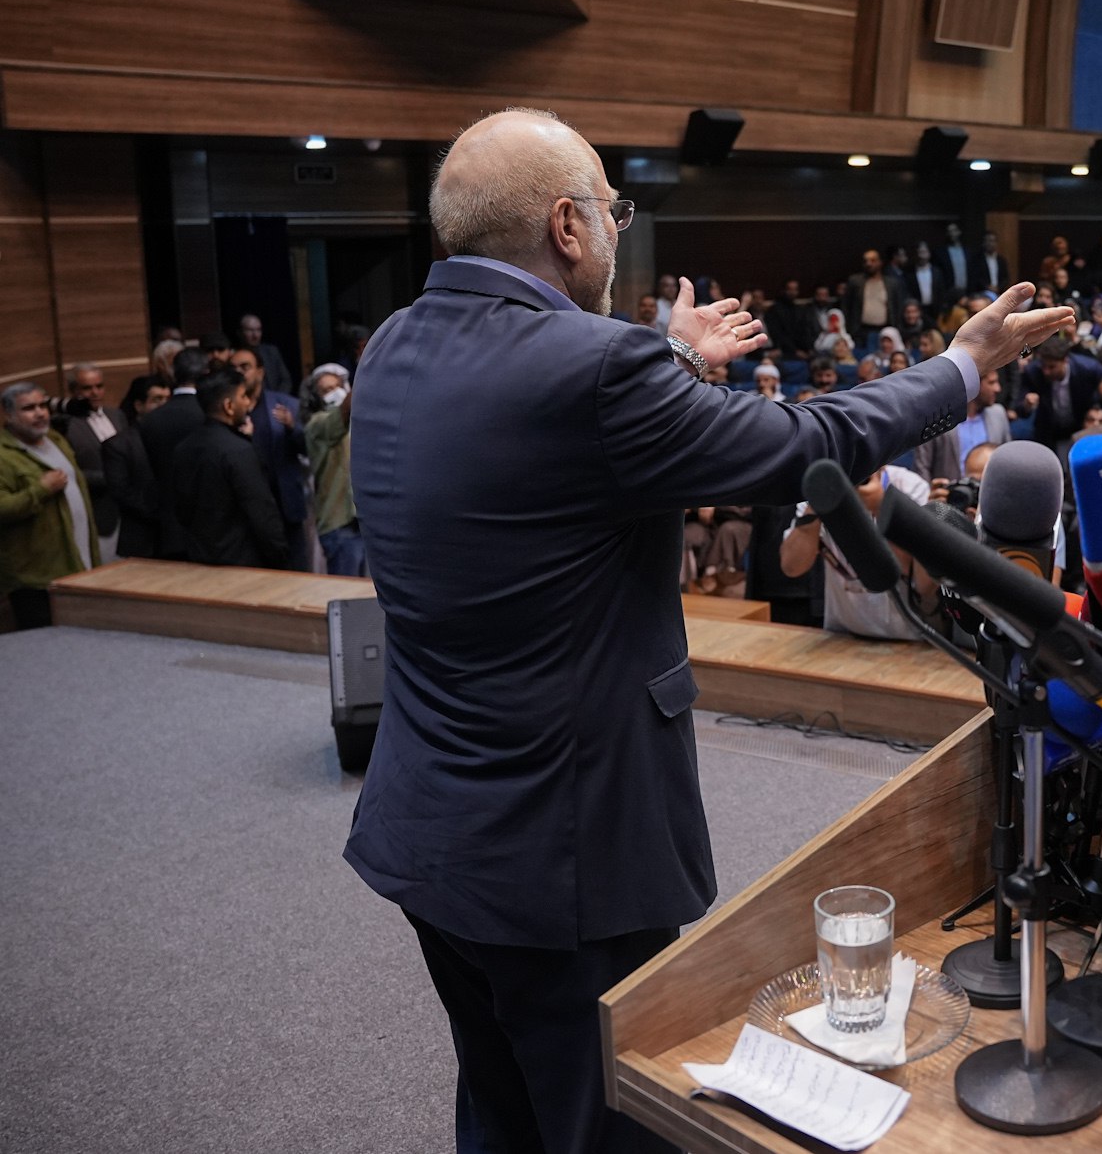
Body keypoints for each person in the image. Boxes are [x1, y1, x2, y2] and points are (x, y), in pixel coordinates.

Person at [342, 108, 1065, 1154]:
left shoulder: (394, 344)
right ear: (567, 227)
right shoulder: (596, 373)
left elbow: (537, 422)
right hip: (566, 850)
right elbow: (802, 441)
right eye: (609, 206)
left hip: (432, 825)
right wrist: (960, 367)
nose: (615, 226)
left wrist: (659, 356)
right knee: (606, 1120)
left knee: (499, 1101)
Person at [780, 466, 936, 634]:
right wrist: (816, 506)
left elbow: (921, 582)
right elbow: (792, 567)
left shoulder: (909, 486)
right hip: (841, 633)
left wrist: (881, 507)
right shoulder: (822, 485)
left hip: (906, 634)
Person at [167, 369, 288, 569]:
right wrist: (282, 557)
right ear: (229, 406)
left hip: (199, 559)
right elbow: (262, 513)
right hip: (243, 562)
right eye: (243, 397)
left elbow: (182, 511)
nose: (248, 403)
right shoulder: (238, 450)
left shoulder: (183, 448)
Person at [0, 381, 98, 628]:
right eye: (29, 408)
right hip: (36, 576)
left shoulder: (55, 439)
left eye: (43, 405)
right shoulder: (4, 456)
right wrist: (40, 490)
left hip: (78, 557)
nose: (40, 413)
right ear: (8, 415)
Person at [231, 346, 311, 571]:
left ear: (260, 372)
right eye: (234, 368)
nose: (239, 372)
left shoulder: (285, 404)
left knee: (297, 569)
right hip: (249, 508)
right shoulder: (229, 409)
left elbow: (307, 449)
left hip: (285, 503)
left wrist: (291, 428)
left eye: (245, 367)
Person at [138, 347, 215, 559]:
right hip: (213, 528)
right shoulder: (211, 414)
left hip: (169, 529)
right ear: (207, 374)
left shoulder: (151, 420)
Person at [56, 363, 127, 561]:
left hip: (127, 509)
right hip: (97, 511)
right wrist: (111, 478)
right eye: (87, 388)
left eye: (99, 386)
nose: (95, 393)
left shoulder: (117, 415)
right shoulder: (66, 425)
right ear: (73, 391)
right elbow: (68, 471)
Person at [304, 366, 364, 577]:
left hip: (362, 522)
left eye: (338, 386)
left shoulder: (357, 423)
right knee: (345, 599)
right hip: (339, 523)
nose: (335, 392)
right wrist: (366, 369)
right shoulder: (317, 424)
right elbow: (343, 413)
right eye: (327, 389)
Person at [104, 375, 170, 561]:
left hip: (174, 538)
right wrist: (160, 512)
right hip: (142, 539)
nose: (164, 405)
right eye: (157, 399)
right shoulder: (118, 445)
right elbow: (121, 492)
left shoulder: (175, 437)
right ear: (139, 405)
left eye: (167, 399)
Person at [915, 368, 1010, 487]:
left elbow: (1008, 462)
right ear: (973, 384)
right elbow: (922, 467)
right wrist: (931, 500)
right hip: (949, 499)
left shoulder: (998, 414)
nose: (998, 389)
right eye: (991, 383)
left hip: (990, 496)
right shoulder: (937, 418)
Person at [1016, 334, 1102, 450]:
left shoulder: (1089, 370)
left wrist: (1097, 408)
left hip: (1081, 428)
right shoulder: (1033, 372)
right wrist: (1027, 405)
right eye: (1044, 366)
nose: (1046, 372)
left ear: (1065, 361)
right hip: (1049, 433)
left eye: (1052, 367)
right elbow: (1019, 408)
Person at [239, 313, 294, 392]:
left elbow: (286, 380)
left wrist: (278, 399)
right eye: (250, 330)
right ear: (240, 332)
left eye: (258, 330)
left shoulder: (271, 352)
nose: (255, 335)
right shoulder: (236, 356)